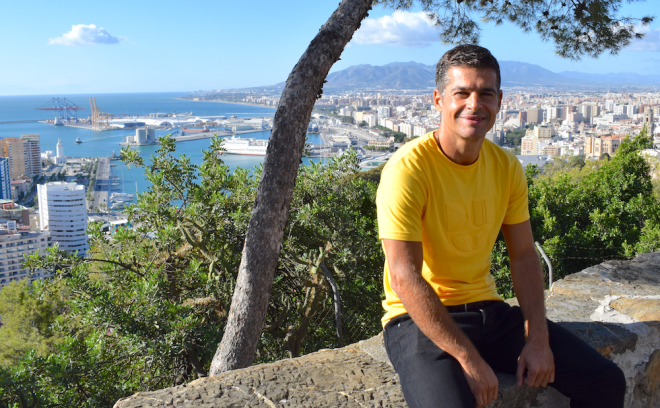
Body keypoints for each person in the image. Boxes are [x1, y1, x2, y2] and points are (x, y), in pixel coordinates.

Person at [376, 45, 626, 408]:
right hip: (418, 320)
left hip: (488, 311)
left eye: (485, 94)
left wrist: (537, 339)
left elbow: (524, 255)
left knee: (604, 380)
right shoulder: (408, 170)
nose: (474, 104)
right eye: (462, 93)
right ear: (438, 99)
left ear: (499, 100)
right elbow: (404, 276)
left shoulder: (507, 167)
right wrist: (469, 360)